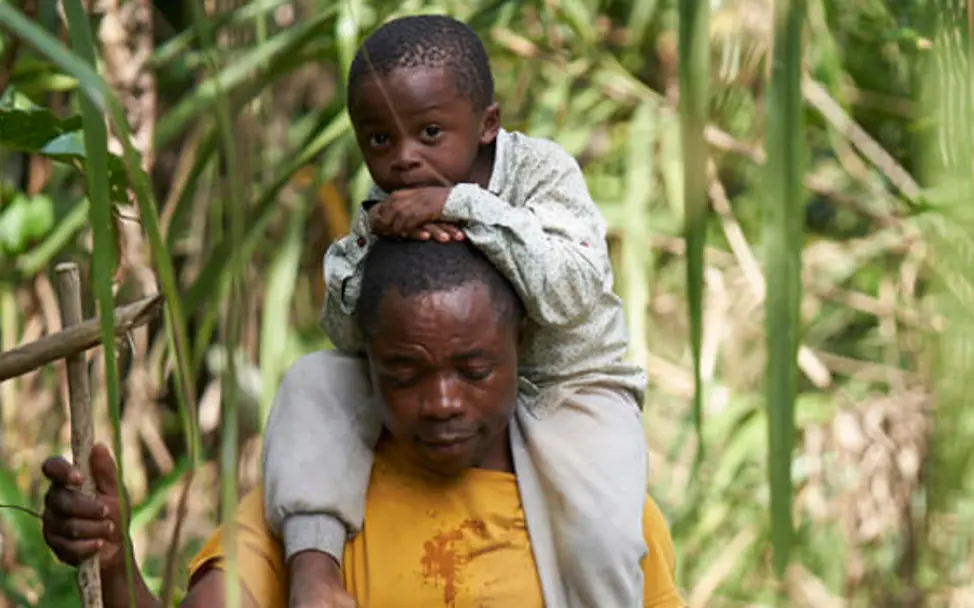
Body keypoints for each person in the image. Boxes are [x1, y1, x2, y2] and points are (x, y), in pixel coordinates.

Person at [41, 239, 682, 608]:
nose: (442, 402)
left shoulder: (601, 512)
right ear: (364, 364)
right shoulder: (305, 514)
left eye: (474, 370)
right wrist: (115, 560)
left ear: (522, 347)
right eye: (405, 374)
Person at [262, 14, 650, 607]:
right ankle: (315, 572)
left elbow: (575, 291)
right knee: (314, 381)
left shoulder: (541, 171)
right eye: (379, 140)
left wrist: (465, 208)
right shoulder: (386, 200)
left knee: (604, 537)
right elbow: (346, 334)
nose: (404, 160)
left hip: (569, 387)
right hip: (435, 376)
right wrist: (373, 245)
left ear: (487, 124)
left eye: (430, 132)